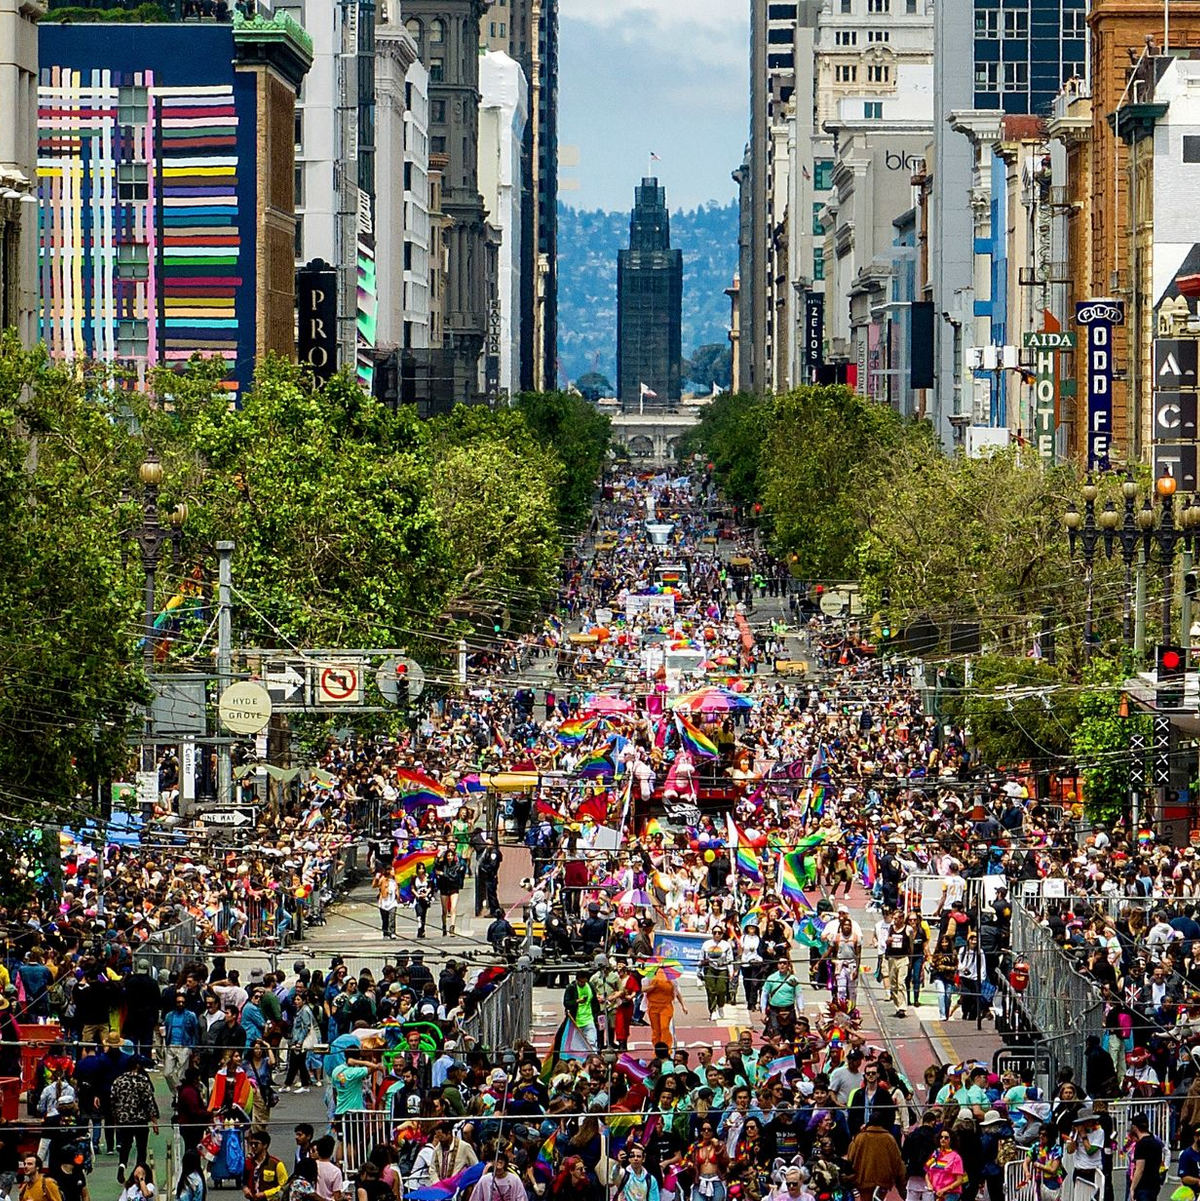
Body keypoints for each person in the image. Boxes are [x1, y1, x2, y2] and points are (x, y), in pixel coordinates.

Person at [110, 1058, 159, 1184]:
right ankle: (138, 1172)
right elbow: (149, 1101)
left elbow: (113, 1101)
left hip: (124, 1119)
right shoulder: (142, 1081)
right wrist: (154, 1120)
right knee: (141, 1147)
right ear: (137, 1066)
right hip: (140, 1119)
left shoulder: (118, 1081)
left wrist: (116, 1117)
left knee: (125, 1145)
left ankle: (122, 1165)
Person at [846, 1118, 905, 1200]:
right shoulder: (889, 1138)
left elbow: (850, 1158)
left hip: (863, 1180)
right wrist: (899, 1181)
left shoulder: (860, 1138)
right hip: (884, 1180)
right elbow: (897, 1161)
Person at [644, 964, 686, 1051]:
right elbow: (643, 989)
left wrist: (683, 1006)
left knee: (664, 1028)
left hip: (666, 1006)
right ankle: (657, 1049)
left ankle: (666, 1050)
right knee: (656, 1030)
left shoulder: (672, 980)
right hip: (653, 1007)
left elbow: (677, 992)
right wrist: (652, 987)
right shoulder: (649, 978)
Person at [1127, 1112, 1163, 1201]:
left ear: (1135, 1128)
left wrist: (1132, 1188)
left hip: (1143, 1185)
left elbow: (1140, 1169)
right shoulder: (1156, 1142)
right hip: (1154, 1183)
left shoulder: (1141, 1144)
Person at [243, 1131, 289, 1201]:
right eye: (251, 1144)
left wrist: (265, 1194)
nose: (253, 1146)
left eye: (256, 1144)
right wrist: (245, 1189)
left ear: (265, 1145)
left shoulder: (276, 1164)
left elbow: (284, 1186)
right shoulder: (248, 1163)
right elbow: (244, 1181)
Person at [925, 1130, 967, 1201]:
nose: (943, 1139)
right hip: (936, 1194)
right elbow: (927, 1173)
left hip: (951, 1195)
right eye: (941, 1137)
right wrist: (929, 1184)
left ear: (951, 1140)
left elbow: (959, 1180)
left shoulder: (956, 1157)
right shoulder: (935, 1154)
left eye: (946, 1137)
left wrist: (944, 1190)